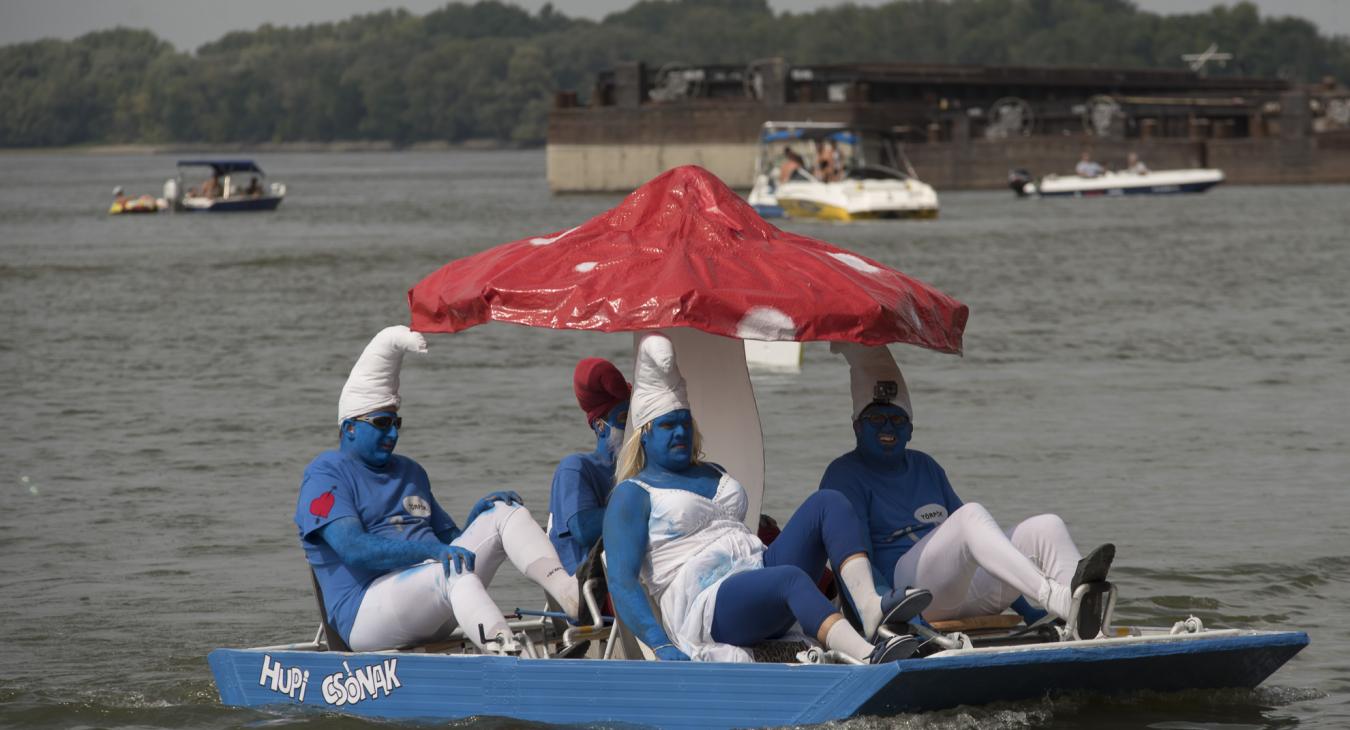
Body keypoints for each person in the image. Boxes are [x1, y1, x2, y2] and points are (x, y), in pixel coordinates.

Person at [604, 333, 932, 664]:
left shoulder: (712, 470)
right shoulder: (633, 494)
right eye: (667, 426)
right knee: (790, 579)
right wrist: (661, 646)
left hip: (757, 569)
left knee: (828, 502)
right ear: (644, 433)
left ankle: (869, 607)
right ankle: (869, 656)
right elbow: (622, 583)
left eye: (685, 423)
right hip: (707, 605)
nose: (680, 433)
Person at [295, 326, 580, 654]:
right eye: (381, 423)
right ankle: (508, 654)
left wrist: (477, 518)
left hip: (431, 593)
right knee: (452, 572)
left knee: (505, 513)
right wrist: (431, 553)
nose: (392, 434)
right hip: (364, 613)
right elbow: (353, 548)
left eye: (396, 422)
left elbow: (451, 543)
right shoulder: (325, 472)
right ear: (349, 428)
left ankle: (570, 595)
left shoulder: (411, 471)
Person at [818, 343, 1116, 639]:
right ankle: (1060, 598)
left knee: (1047, 527)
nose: (888, 428)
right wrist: (893, 612)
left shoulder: (926, 467)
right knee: (970, 515)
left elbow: (983, 544)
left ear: (910, 429)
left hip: (962, 593)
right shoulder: (844, 475)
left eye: (898, 420)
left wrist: (1031, 614)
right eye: (876, 419)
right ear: (857, 426)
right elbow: (854, 560)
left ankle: (1085, 625)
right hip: (908, 595)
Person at [547, 357, 630, 575]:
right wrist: (644, 509)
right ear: (600, 427)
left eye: (635, 418)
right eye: (624, 418)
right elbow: (583, 530)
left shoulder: (643, 466)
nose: (631, 427)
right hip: (591, 584)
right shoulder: (576, 468)